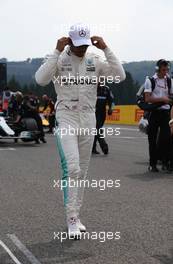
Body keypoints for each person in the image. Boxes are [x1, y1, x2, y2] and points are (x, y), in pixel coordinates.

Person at [35, 23, 126, 238]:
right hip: (66, 117)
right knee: (72, 168)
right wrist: (56, 51)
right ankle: (72, 219)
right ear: (69, 41)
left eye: (85, 45)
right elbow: (40, 80)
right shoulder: (58, 59)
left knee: (82, 172)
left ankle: (76, 214)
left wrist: (106, 48)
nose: (82, 49)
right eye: (78, 45)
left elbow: (120, 75)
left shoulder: (95, 59)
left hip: (88, 118)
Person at [144, 59, 173, 172]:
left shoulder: (169, 80)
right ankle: (152, 164)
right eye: (163, 69)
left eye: (167, 69)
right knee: (152, 139)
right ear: (158, 69)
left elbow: (172, 96)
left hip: (166, 113)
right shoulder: (150, 80)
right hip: (154, 112)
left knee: (166, 139)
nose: (165, 72)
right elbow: (147, 98)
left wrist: (170, 100)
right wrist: (162, 99)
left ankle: (165, 163)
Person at [92, 84, 114, 154]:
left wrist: (110, 108)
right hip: (93, 112)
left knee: (96, 129)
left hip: (102, 112)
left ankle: (93, 148)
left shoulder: (106, 89)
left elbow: (111, 100)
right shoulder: (92, 87)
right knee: (98, 129)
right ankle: (104, 146)